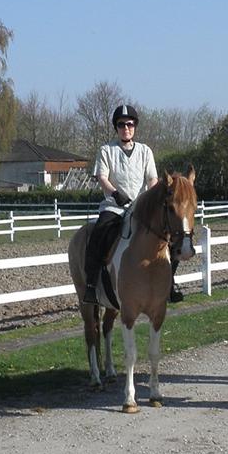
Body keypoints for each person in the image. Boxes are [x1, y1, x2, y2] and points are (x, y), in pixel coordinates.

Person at [82, 104, 164, 305]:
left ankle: (169, 282)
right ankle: (91, 285)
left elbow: (152, 180)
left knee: (167, 233)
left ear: (135, 126)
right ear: (116, 127)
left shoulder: (145, 151)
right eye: (121, 124)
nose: (125, 128)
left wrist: (149, 199)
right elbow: (102, 177)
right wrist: (115, 194)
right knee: (99, 233)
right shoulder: (106, 150)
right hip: (114, 206)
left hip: (141, 207)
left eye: (129, 124)